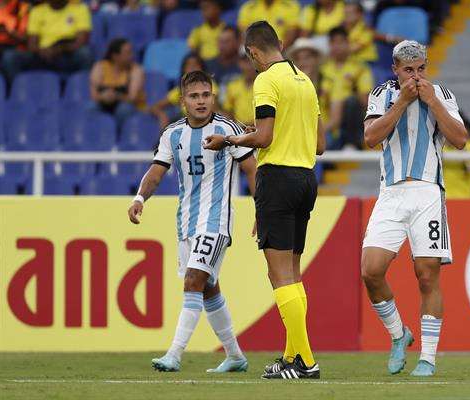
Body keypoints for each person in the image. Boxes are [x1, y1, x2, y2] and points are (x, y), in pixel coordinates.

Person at [203, 20, 326, 380]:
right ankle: (292, 356)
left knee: (278, 274)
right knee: (294, 274)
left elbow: (266, 136)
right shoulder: (305, 80)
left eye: (251, 57)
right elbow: (320, 145)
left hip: (278, 177)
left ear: (254, 51)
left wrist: (230, 140)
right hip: (306, 177)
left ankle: (305, 360)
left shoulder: (266, 81)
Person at [128, 70, 257, 374]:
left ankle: (174, 354)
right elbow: (156, 172)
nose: (201, 101)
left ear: (213, 96)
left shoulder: (228, 130)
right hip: (186, 223)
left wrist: (260, 209)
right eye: (194, 96)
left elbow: (252, 169)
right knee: (208, 287)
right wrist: (139, 199)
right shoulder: (173, 134)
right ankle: (236, 356)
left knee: (193, 281)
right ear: (183, 100)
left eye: (206, 95)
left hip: (216, 220)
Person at [361, 40, 467, 377]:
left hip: (427, 193)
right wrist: (402, 102)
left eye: (421, 68)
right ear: (395, 69)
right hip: (391, 193)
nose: (416, 76)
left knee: (427, 275)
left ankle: (428, 357)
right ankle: (398, 334)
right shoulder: (382, 94)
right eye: (409, 70)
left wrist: (432, 101)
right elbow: (370, 137)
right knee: (371, 270)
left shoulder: (441, 94)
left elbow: (460, 139)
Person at [1, 0, 93, 83]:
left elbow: (81, 41)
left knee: (85, 54)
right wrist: (42, 51)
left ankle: (83, 89)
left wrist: (58, 49)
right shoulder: (37, 11)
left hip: (66, 54)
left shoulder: (80, 9)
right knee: (10, 57)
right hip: (41, 55)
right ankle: (20, 90)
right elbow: (31, 45)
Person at [320, 26, 373, 148]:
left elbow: (365, 101)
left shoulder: (360, 68)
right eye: (333, 42)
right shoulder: (322, 69)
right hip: (327, 120)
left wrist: (351, 89)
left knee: (352, 102)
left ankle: (352, 144)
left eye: (341, 42)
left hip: (350, 120)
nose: (337, 46)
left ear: (348, 43)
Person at [150, 53, 219, 129]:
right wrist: (161, 115)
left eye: (195, 65)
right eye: (189, 66)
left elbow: (213, 110)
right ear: (184, 70)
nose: (192, 69)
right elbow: (155, 107)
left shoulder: (210, 85)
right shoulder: (180, 89)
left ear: (202, 69)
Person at [89, 38, 145, 126]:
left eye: (131, 52)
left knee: (124, 110)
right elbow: (94, 95)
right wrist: (103, 97)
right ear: (115, 56)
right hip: (104, 103)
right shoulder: (100, 67)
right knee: (90, 107)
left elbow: (132, 97)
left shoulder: (136, 70)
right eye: (127, 53)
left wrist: (116, 96)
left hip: (129, 105)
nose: (132, 56)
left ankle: (120, 135)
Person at [222, 53, 257, 127]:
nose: (249, 67)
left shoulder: (264, 85)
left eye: (252, 62)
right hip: (238, 130)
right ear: (240, 63)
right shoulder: (233, 85)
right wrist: (234, 126)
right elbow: (228, 110)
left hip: (259, 129)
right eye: (246, 62)